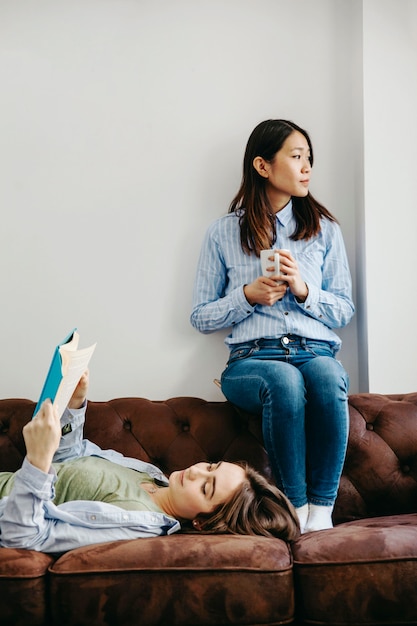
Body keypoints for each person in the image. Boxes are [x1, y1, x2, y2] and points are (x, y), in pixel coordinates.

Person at [191, 119, 355, 534]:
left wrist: (303, 291)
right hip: (252, 358)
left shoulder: (324, 231)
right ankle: (294, 510)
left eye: (309, 159)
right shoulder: (223, 232)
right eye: (297, 157)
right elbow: (200, 316)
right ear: (263, 166)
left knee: (329, 374)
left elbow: (344, 309)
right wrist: (248, 295)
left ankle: (322, 510)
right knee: (282, 381)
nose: (307, 168)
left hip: (314, 350)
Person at [0, 372, 299, 553]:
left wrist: (38, 463)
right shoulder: (153, 477)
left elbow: (24, 536)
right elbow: (69, 461)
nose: (196, 472)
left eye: (207, 489)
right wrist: (75, 405)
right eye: (210, 467)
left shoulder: (138, 521)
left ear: (202, 522)